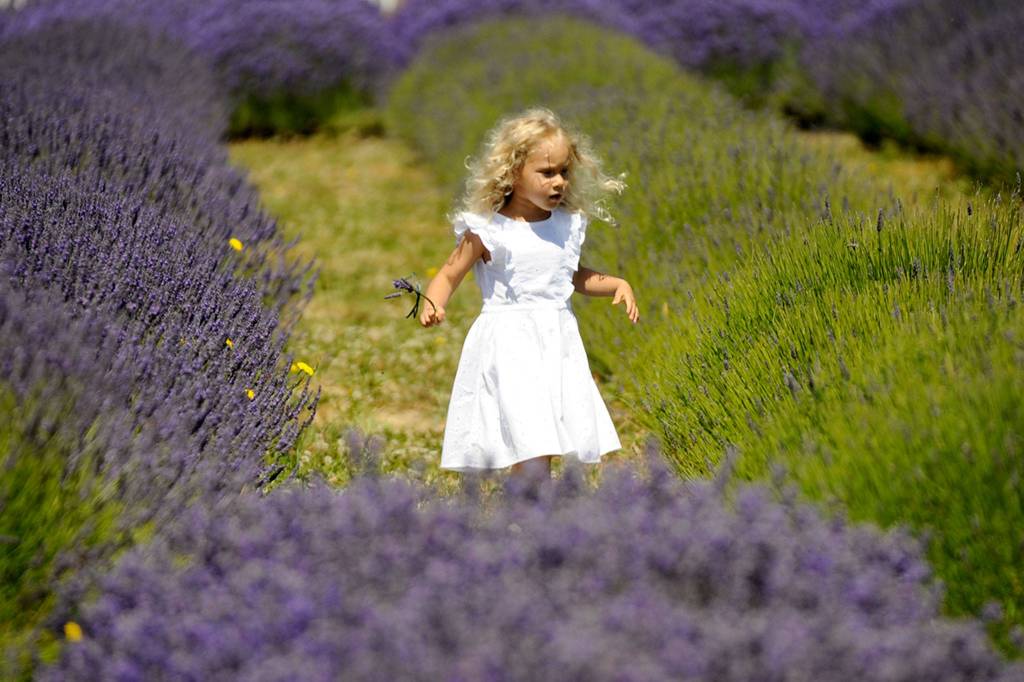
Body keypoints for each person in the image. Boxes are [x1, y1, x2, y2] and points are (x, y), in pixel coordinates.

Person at [418, 106, 639, 483]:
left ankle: (531, 508)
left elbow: (570, 277)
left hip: (557, 340)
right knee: (530, 430)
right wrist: (434, 302)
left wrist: (616, 284)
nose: (559, 183)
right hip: (510, 343)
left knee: (549, 432)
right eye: (547, 172)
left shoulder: (566, 226)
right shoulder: (488, 229)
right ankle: (531, 507)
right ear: (513, 173)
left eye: (564, 172)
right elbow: (450, 273)